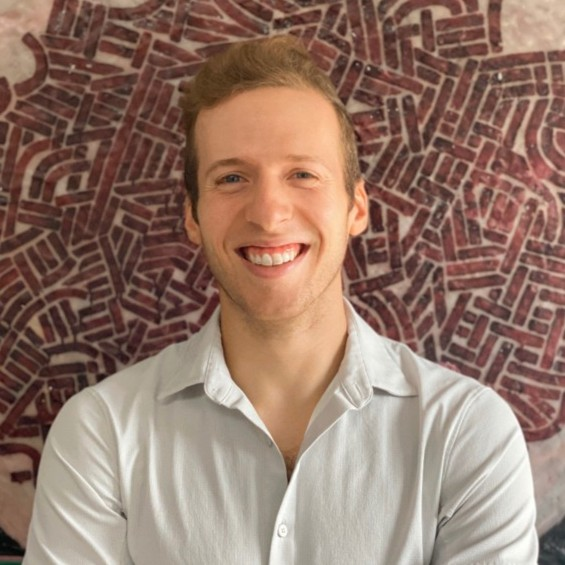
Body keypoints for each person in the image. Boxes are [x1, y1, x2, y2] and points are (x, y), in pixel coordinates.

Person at [24, 36, 538, 564]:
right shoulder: (101, 433)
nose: (269, 214)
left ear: (356, 207)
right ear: (192, 216)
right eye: (231, 178)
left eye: (302, 175)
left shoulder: (466, 432)